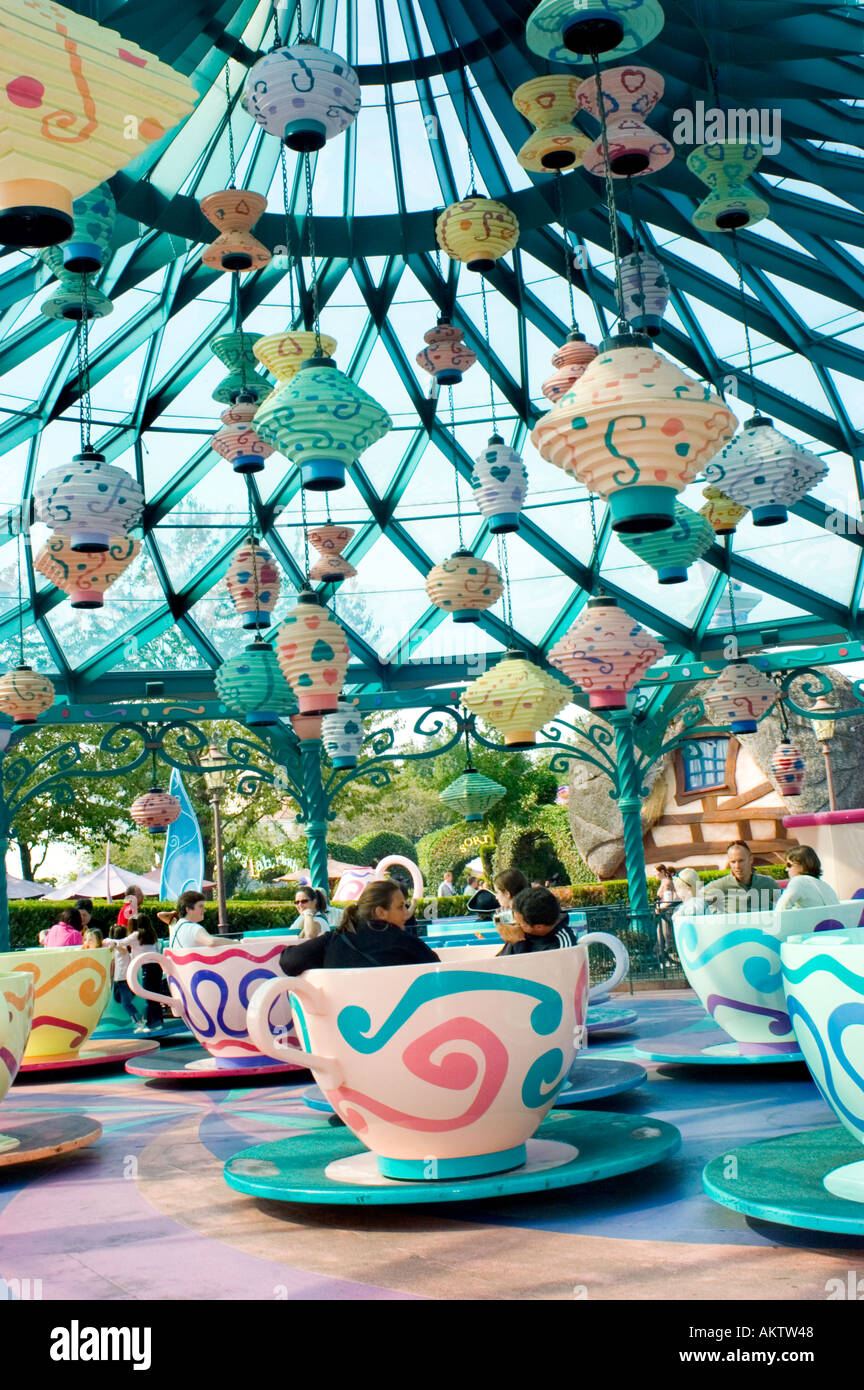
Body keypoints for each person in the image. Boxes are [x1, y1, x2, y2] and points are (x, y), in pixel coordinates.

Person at [279, 880, 439, 976]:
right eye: (400, 907)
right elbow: (439, 973)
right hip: (401, 1028)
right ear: (380, 912)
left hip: (343, 1027)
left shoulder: (335, 939)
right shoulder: (405, 943)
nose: (406, 913)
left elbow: (288, 961)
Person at [498, 886, 581, 955]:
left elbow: (528, 971)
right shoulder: (527, 932)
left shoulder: (564, 947)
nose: (516, 925)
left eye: (521, 924)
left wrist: (518, 942)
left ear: (539, 927)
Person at [704, 842, 782, 914]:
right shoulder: (721, 885)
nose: (737, 866)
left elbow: (786, 904)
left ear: (751, 859)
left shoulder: (768, 883)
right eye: (733, 862)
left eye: (741, 861)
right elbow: (698, 900)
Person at [776, 846, 840, 910]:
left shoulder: (799, 881)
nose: (786, 869)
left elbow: (780, 909)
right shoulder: (825, 886)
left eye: (789, 865)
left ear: (803, 866)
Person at [107, 923, 144, 1028]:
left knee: (125, 1003)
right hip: (118, 980)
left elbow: (122, 950)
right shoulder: (116, 949)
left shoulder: (122, 948)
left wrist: (115, 945)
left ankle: (138, 1020)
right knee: (120, 1000)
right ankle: (137, 1019)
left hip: (124, 979)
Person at [493, 869, 529, 945]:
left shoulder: (521, 919)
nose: (496, 897)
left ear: (507, 893)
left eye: (497, 892)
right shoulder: (526, 912)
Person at [655, 866, 679, 956]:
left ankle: (673, 956)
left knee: (667, 935)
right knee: (660, 935)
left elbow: (668, 900)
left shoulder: (667, 883)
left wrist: (659, 908)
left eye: (655, 872)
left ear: (661, 871)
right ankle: (662, 955)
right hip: (664, 912)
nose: (654, 874)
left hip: (666, 912)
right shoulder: (665, 882)